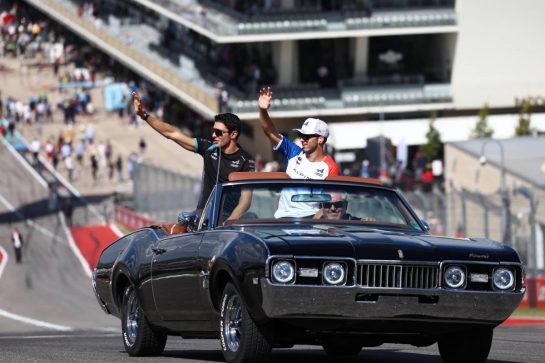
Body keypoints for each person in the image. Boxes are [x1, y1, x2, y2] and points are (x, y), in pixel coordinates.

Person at [133, 92, 254, 220]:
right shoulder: (208, 148)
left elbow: (246, 201)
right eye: (213, 131)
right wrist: (144, 115)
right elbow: (172, 133)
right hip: (204, 216)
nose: (213, 135)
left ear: (233, 134)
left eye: (218, 132)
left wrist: (227, 225)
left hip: (227, 219)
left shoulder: (246, 160)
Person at [257, 87, 340, 218]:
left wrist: (316, 220)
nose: (302, 139)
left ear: (320, 139)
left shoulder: (331, 167)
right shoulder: (294, 152)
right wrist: (262, 110)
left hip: (310, 222)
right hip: (282, 219)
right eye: (301, 135)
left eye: (307, 136)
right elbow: (270, 132)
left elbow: (332, 202)